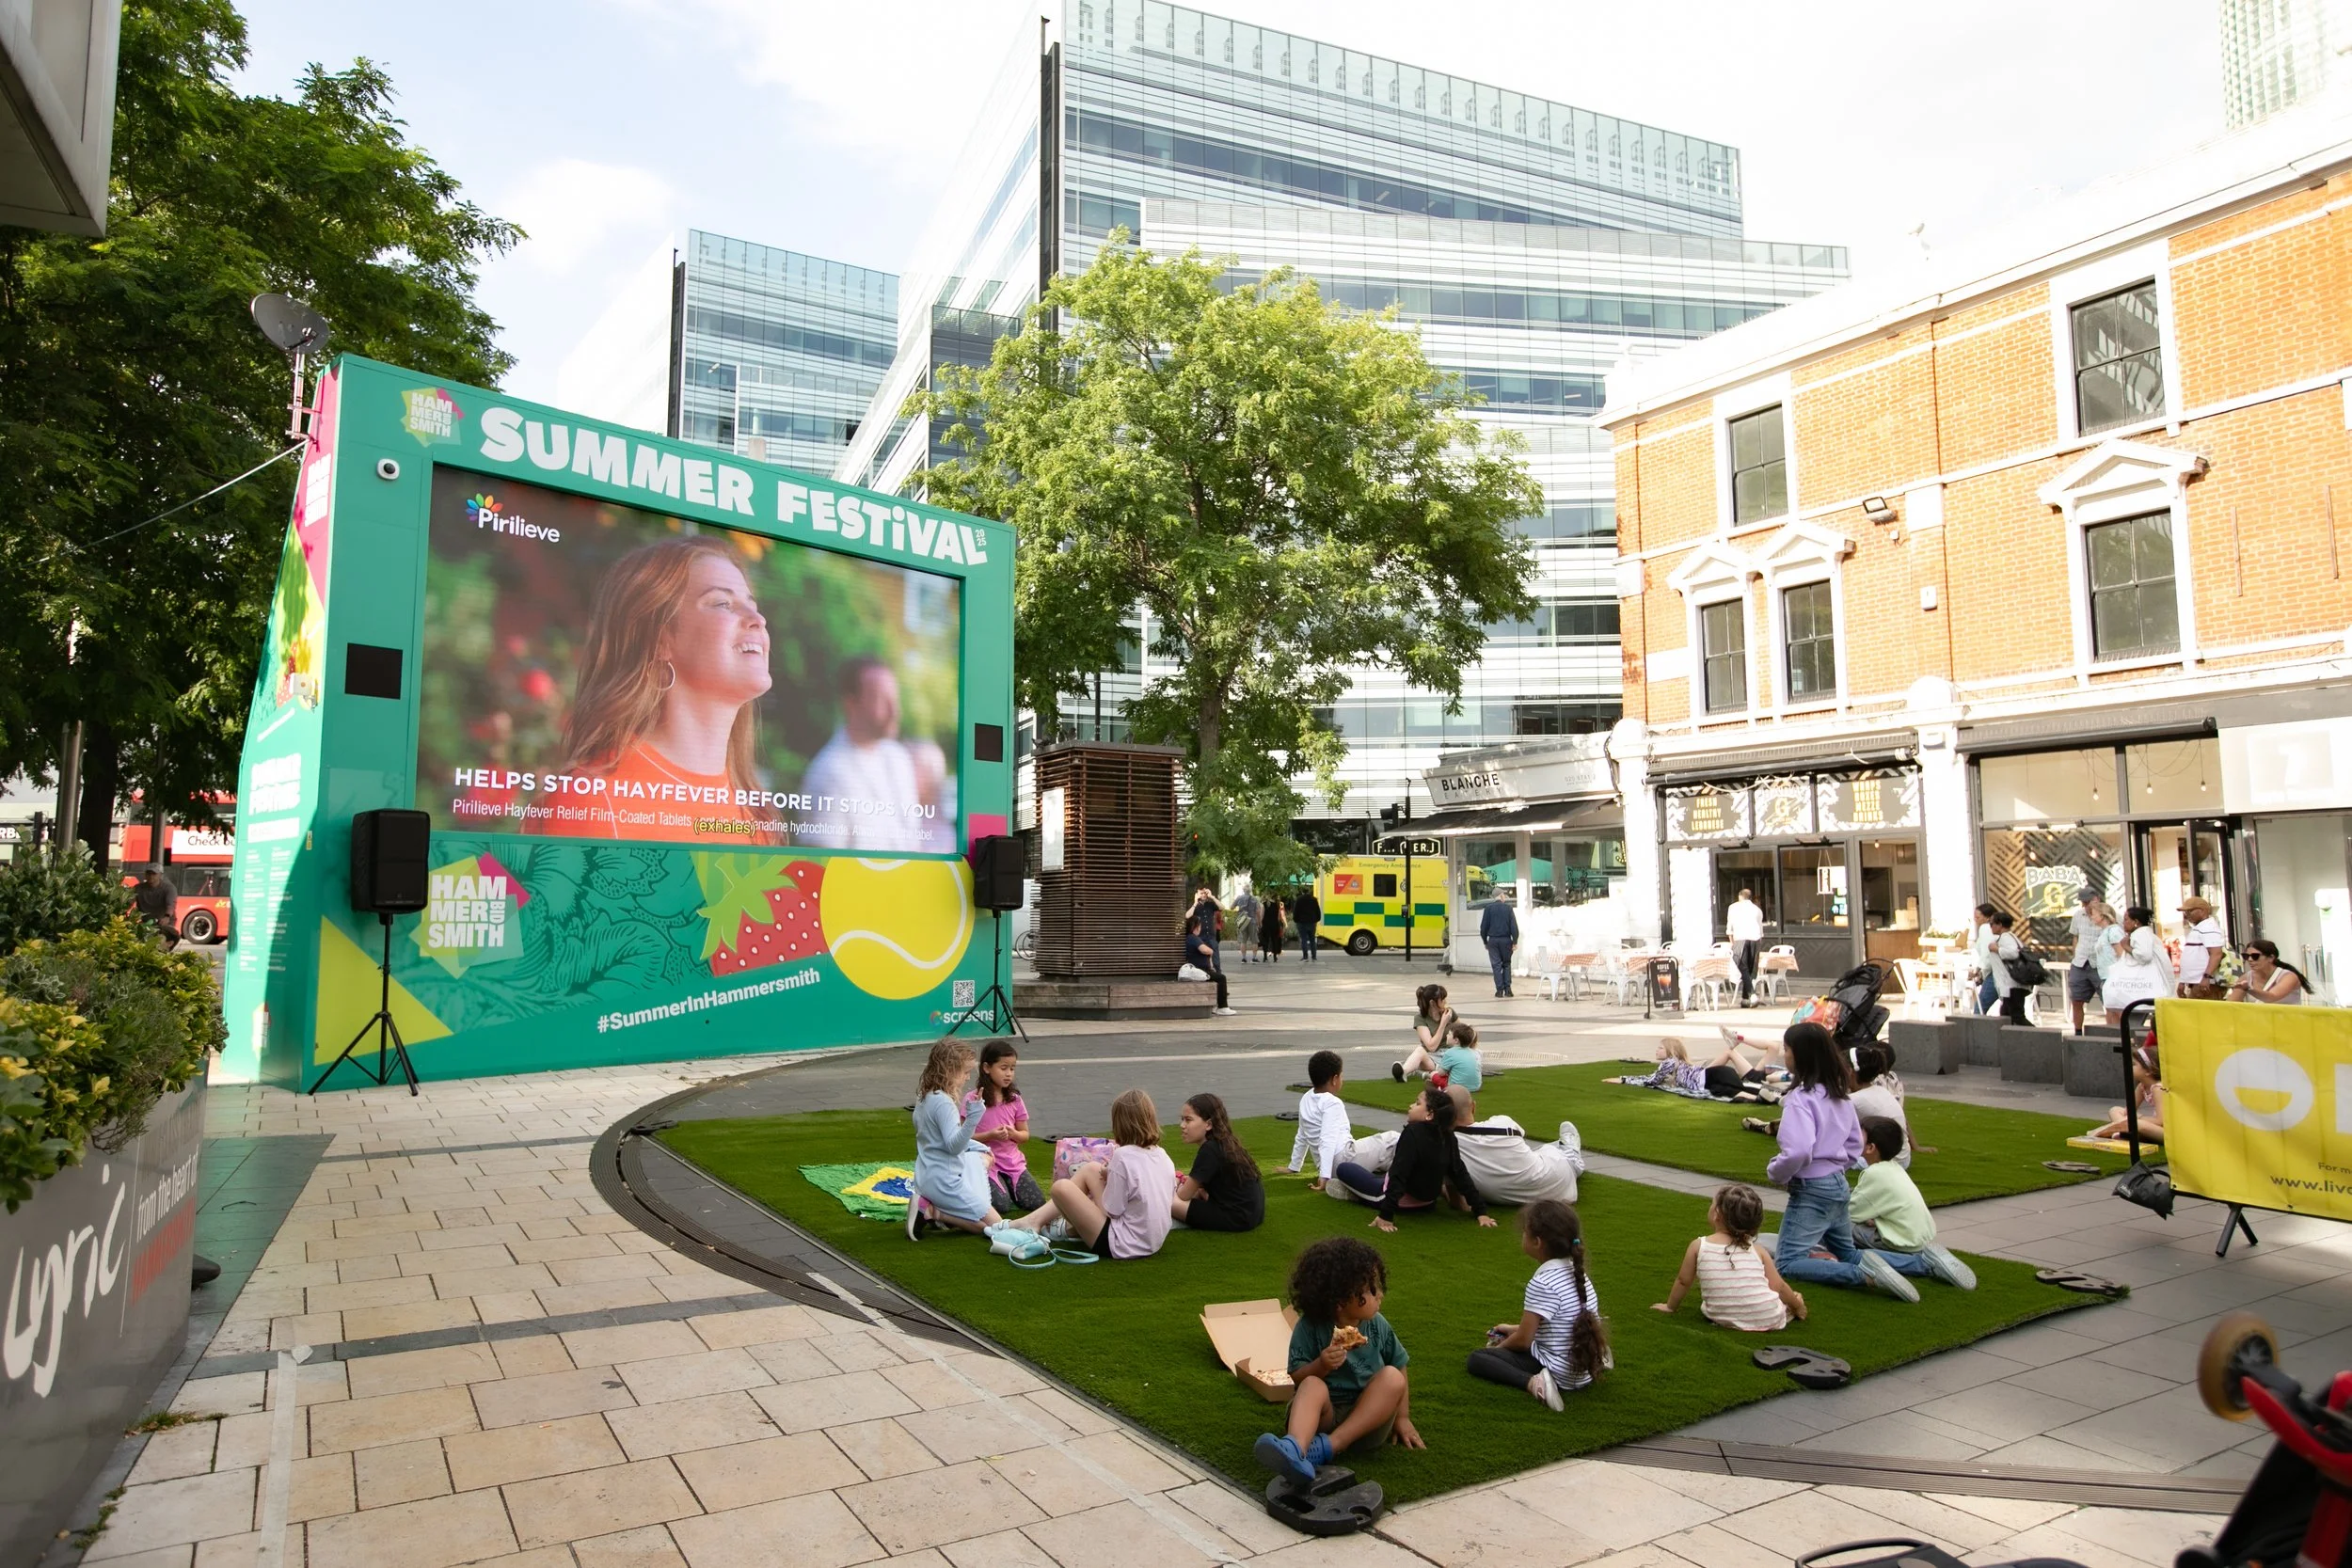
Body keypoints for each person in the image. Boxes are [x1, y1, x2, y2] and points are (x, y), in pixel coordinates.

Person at [548, 537, 776, 845]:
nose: (758, 620)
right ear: (660, 640)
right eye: (722, 603)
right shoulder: (592, 800)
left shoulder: (755, 813)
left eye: (752, 605)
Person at [1766, 1022, 1917, 1301]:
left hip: (1813, 1188)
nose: (1784, 1054)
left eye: (1786, 1049)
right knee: (1847, 1252)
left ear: (1799, 1056)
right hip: (1837, 1184)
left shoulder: (1800, 1100)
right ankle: (1921, 1264)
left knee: (1786, 1262)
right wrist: (1838, 1167)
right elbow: (1853, 1145)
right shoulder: (1840, 1096)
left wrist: (1776, 1171)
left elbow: (1799, 1150)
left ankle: (1865, 1276)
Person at [1253, 1237, 1420, 1483]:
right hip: (1322, 1417)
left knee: (1392, 1377)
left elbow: (1399, 1364)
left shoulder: (1377, 1326)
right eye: (1371, 1291)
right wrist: (1321, 1366)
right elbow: (1297, 1377)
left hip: (1367, 1422)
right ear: (1341, 1302)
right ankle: (1296, 1448)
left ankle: (1328, 1447)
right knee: (1312, 1384)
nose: (1380, 1296)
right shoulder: (1310, 1326)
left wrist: (1403, 1418)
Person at [1468, 1199, 1607, 1411]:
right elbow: (1561, 1321)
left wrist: (1500, 1352)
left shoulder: (1543, 1282)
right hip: (1581, 1367)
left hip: (1559, 1371)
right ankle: (1600, 1354)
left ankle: (1534, 1383)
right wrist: (1513, 1329)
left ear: (1537, 1242)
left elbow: (1523, 1342)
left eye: (1524, 1232)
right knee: (1510, 1341)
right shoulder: (1578, 1273)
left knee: (1477, 1359)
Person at [801, 656, 949, 852]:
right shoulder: (827, 774)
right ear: (851, 704)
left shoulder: (897, 758)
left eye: (894, 699)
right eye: (882, 700)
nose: (894, 711)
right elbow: (822, 867)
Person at [1007, 1089, 1175, 1259]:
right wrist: (1109, 1175)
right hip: (1152, 1241)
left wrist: (1105, 1185)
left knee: (1061, 1188)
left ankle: (1050, 1224)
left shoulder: (1122, 1156)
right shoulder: (1163, 1155)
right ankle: (1036, 1221)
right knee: (1092, 1168)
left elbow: (1113, 1211)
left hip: (1121, 1244)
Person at [1334, 1086, 1497, 1232]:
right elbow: (1460, 1174)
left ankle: (1357, 1196)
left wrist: (1386, 1215)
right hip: (1428, 1203)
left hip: (1395, 1201)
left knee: (1344, 1168)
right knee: (1384, 1173)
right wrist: (1481, 1212)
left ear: (1429, 1114)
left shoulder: (1412, 1133)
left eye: (1417, 1103)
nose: (1411, 1106)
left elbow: (1399, 1174)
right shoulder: (1448, 1135)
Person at [1650, 1183, 1804, 1332]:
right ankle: (1794, 1305)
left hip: (1721, 1317)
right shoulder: (1758, 1251)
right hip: (1768, 1318)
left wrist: (1670, 1307)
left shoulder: (1698, 1246)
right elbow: (1779, 1286)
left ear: (1717, 1214)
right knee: (1795, 1296)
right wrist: (1797, 1307)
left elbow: (1683, 1281)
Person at [1851, 1117, 1976, 1289]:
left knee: (1845, 1237)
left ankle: (1924, 1265)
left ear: (1870, 1148)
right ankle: (1927, 1257)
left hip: (1901, 1240)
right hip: (1919, 1236)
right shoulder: (1894, 1168)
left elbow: (1849, 1212)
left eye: (1860, 1135)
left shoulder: (1874, 1174)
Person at [907, 1039, 1003, 1239]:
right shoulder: (944, 1102)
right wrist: (974, 1117)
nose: (967, 1077)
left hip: (926, 1176)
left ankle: (931, 1211)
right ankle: (934, 1209)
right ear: (950, 1069)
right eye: (965, 1072)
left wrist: (980, 1146)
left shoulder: (925, 1096)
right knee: (1000, 1228)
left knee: (984, 1228)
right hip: (946, 1182)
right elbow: (953, 1146)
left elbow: (939, 1140)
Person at [1445, 1084, 1583, 1206]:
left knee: (1543, 1151)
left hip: (1504, 1195)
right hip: (1556, 1183)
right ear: (1473, 1107)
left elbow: (1457, 1200)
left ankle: (1562, 1149)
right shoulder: (1503, 1123)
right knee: (1561, 1154)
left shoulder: (1444, 1144)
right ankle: (1571, 1152)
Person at [966, 1041, 1041, 1213]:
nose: (1009, 1074)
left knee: (1035, 1202)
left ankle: (1009, 1184)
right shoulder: (973, 1099)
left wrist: (1014, 1133)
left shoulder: (1015, 1099)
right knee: (1001, 1206)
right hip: (986, 1163)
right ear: (986, 1067)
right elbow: (963, 1138)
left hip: (1013, 1163)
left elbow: (1025, 1135)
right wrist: (990, 1135)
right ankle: (987, 1183)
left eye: (1012, 1069)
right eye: (1003, 1068)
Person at [1172, 1093, 1264, 1232]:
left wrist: (1176, 1182)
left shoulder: (1210, 1150)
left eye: (1188, 1120)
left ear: (1208, 1124)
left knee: (1166, 1201)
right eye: (1182, 1119)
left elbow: (1183, 1196)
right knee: (1196, 1191)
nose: (1182, 1125)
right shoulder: (1225, 1143)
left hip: (1236, 1217)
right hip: (1252, 1214)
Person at [1279, 1050, 1354, 1192]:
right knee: (1391, 1139)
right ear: (1334, 1079)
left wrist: (1294, 1167)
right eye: (1342, 1076)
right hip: (1346, 1159)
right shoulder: (1333, 1103)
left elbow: (1302, 1135)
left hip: (1331, 1168)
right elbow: (1327, 1139)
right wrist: (1324, 1177)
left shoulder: (1306, 1098)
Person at [2101, 906, 2172, 1026]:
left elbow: (2145, 955)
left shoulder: (2140, 934)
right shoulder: (2147, 934)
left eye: (2126, 919)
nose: (2123, 923)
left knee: (2132, 1020)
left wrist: (2126, 947)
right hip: (2146, 982)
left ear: (2136, 922)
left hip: (2140, 983)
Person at [1849, 1041, 1912, 1169]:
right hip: (1903, 1157)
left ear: (1850, 1072)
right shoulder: (1880, 1091)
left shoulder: (1854, 1100)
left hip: (1888, 1160)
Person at [2091, 1043, 2165, 1142]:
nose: (2129, 1067)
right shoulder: (2142, 1086)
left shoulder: (2158, 1089)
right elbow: (2129, 1111)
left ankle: (2123, 1131)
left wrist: (2135, 1120)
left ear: (2148, 1071)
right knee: (2115, 1110)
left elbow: (2160, 1121)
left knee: (2138, 1124)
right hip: (2152, 1125)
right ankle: (2126, 1132)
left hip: (2166, 1132)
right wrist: (2129, 1119)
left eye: (2134, 1065)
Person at [1184, 892, 1236, 1016]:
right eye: (1201, 892)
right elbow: (1187, 915)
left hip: (1211, 938)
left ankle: (1219, 1001)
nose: (1203, 894)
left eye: (1205, 892)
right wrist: (1196, 901)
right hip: (1201, 940)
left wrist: (1212, 897)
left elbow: (1222, 908)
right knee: (1212, 971)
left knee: (1217, 968)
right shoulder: (1195, 907)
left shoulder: (1210, 904)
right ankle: (1218, 1003)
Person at [2065, 888, 2109, 1034]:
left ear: (2096, 899)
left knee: (2108, 1000)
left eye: (2087, 901)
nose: (2085, 905)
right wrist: (2074, 955)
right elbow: (2075, 936)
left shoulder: (2107, 914)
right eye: (2083, 902)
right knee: (2076, 1000)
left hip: (2100, 963)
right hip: (2080, 962)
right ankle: (2078, 1032)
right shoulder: (2078, 915)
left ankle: (2113, 1031)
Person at [1392, 984, 1458, 1082]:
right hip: (1432, 1058)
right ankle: (1404, 1072)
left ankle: (1418, 1070)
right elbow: (1431, 1047)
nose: (1445, 1002)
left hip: (1451, 1055)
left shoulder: (1449, 1012)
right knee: (1420, 1051)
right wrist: (1443, 1024)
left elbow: (1464, 1032)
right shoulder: (1420, 1019)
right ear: (1432, 1003)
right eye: (1442, 999)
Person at [2230, 940, 2308, 1005]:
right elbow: (2231, 1004)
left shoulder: (2288, 976)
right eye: (2246, 956)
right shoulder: (2246, 978)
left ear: (2271, 958)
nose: (2250, 959)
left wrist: (2249, 989)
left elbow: (2271, 997)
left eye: (2255, 956)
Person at [2177, 896, 2228, 995]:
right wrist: (2183, 981)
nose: (2187, 915)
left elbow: (2216, 954)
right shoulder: (2201, 928)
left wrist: (2206, 977)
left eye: (2190, 911)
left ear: (2203, 911)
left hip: (2205, 984)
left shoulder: (2209, 928)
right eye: (2185, 912)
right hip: (2196, 983)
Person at [1984, 912, 2028, 1024]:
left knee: (2016, 1016)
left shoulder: (2005, 937)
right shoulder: (2010, 937)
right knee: (2006, 1015)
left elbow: (2013, 953)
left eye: (1992, 924)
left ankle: (2041, 1038)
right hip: (2013, 984)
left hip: (2012, 984)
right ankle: (2010, 1039)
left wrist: (1997, 949)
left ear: (2000, 925)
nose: (1991, 927)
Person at [1726, 887, 1766, 1006]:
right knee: (1749, 970)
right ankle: (1745, 999)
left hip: (1740, 939)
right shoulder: (1757, 910)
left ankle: (1753, 995)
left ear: (1740, 897)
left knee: (1743, 968)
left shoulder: (1733, 907)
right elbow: (1761, 929)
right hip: (1755, 939)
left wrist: (1732, 944)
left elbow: (1730, 928)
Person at [1480, 895, 1519, 999]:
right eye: (1504, 895)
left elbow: (1483, 927)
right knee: (1506, 964)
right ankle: (1508, 989)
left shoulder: (1488, 909)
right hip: (1506, 940)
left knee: (1496, 966)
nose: (1505, 897)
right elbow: (1514, 926)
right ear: (1501, 896)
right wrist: (1514, 941)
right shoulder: (1508, 908)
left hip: (1493, 941)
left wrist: (1485, 941)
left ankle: (1499, 990)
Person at [132, 864, 181, 944]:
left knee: (162, 942)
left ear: (161, 875)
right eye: (148, 873)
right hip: (146, 922)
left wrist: (167, 916)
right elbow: (128, 902)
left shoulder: (169, 888)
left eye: (154, 874)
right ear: (145, 875)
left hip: (164, 922)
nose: (151, 876)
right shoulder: (138, 888)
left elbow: (171, 904)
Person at [1967, 901, 2000, 1015]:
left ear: (1987, 918)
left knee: (1979, 1008)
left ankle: (1977, 1031)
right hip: (2001, 972)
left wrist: (1978, 970)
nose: (1976, 920)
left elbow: (1987, 954)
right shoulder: (1994, 930)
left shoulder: (1985, 928)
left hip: (1994, 973)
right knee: (2010, 1010)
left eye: (1978, 917)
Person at [1292, 882, 1323, 961]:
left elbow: (1296, 911)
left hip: (1301, 923)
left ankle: (1305, 956)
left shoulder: (1299, 899)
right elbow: (1318, 911)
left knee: (1304, 939)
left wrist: (1296, 920)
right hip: (1312, 922)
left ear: (1302, 892)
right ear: (1309, 891)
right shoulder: (1314, 899)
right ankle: (1314, 956)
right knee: (1312, 940)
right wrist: (1317, 919)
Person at [1235, 888, 1263, 963]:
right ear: (1250, 891)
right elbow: (1258, 911)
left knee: (1243, 941)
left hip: (1243, 921)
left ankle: (1244, 958)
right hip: (1252, 921)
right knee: (1254, 940)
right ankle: (1254, 958)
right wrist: (1259, 922)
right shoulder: (1254, 899)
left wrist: (1240, 910)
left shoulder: (1239, 898)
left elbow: (1231, 907)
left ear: (1243, 890)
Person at [1260, 896, 1285, 964]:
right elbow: (1278, 916)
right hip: (1274, 925)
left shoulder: (1263, 904)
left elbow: (1261, 916)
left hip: (1266, 925)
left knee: (1266, 941)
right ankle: (1275, 957)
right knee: (1275, 941)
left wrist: (1260, 924)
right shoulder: (1277, 905)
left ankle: (1265, 957)